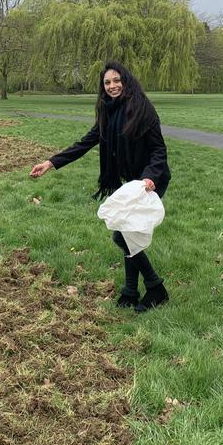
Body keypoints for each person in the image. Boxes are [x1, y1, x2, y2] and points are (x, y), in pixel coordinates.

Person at [30, 61, 171, 312]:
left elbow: (159, 150)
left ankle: (155, 287)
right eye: (107, 82)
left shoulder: (142, 109)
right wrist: (51, 162)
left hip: (150, 181)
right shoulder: (107, 111)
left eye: (117, 80)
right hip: (129, 183)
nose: (113, 86)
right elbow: (86, 142)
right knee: (126, 232)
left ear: (126, 81)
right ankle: (130, 291)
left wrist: (150, 177)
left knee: (123, 234)